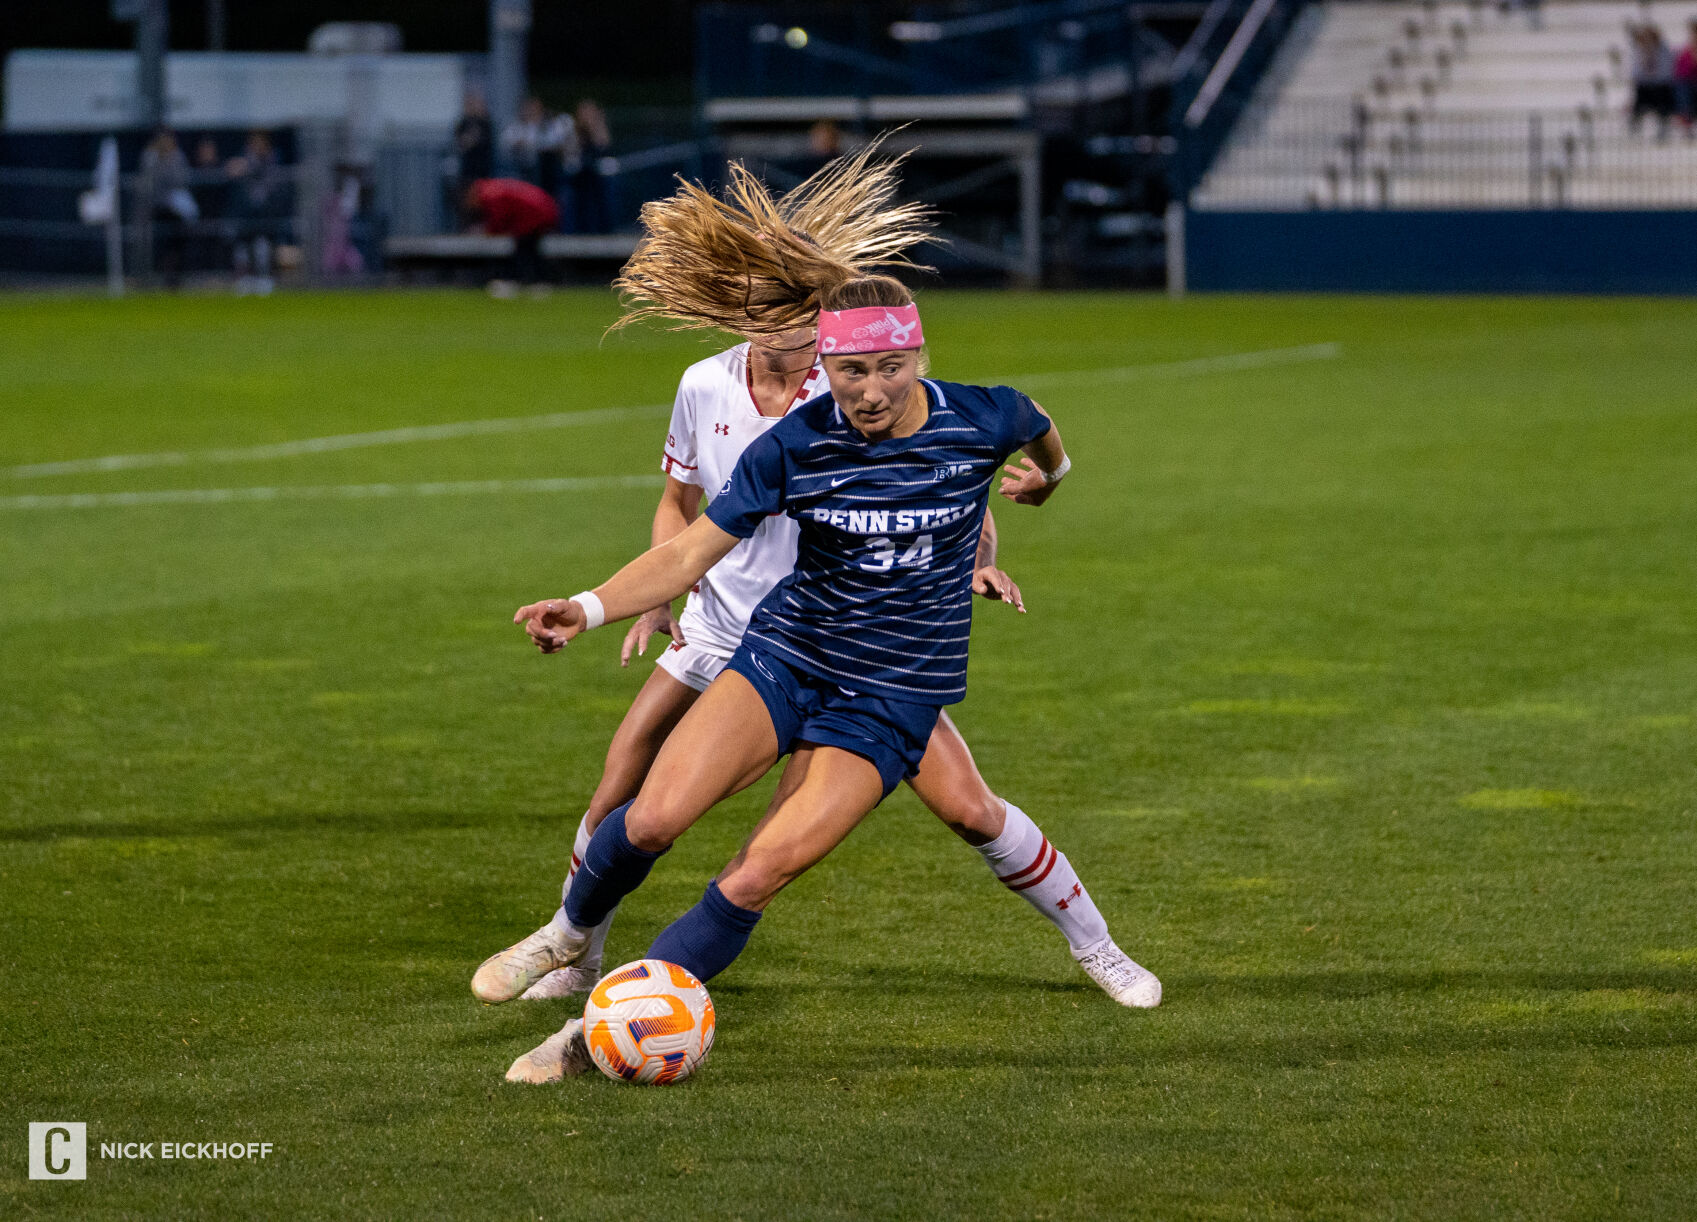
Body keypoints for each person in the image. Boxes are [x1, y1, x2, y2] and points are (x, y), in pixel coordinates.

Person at [482, 177, 1160, 1083]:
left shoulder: (982, 416)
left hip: (887, 698)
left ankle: (588, 1039)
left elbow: (1041, 434)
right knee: (650, 816)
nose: (871, 391)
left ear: (917, 355)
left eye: (889, 368)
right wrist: (592, 603)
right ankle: (566, 935)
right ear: (824, 369)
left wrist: (1051, 479)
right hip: (787, 657)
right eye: (851, 372)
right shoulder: (796, 446)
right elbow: (687, 553)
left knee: (760, 871)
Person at [462, 177, 559, 295]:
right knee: (527, 249)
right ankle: (535, 282)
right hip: (544, 208)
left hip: (536, 213)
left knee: (525, 249)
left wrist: (486, 231)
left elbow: (499, 219)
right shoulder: (493, 188)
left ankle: (526, 282)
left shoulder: (491, 194)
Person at [140, 125, 195, 290]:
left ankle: (175, 277)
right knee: (159, 243)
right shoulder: (150, 157)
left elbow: (182, 180)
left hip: (177, 210)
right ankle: (154, 277)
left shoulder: (178, 157)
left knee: (177, 243)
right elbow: (148, 182)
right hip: (157, 209)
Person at [501, 96, 575, 198]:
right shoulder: (517, 127)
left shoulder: (550, 124)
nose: (531, 110)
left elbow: (557, 141)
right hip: (524, 170)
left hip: (548, 171)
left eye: (535, 108)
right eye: (529, 108)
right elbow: (507, 142)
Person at [566, 100, 612, 234]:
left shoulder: (599, 128)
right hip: (580, 176)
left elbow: (603, 144)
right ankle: (580, 231)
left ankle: (604, 231)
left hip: (598, 176)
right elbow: (570, 151)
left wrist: (595, 125)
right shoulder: (574, 130)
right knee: (580, 204)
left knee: (601, 202)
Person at [1629, 25, 1678, 139]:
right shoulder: (1638, 52)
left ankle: (1663, 122)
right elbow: (1636, 73)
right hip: (1645, 87)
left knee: (1662, 95)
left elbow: (1667, 72)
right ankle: (1635, 123)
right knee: (1641, 92)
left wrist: (1652, 76)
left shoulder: (1664, 51)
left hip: (1660, 86)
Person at [1675, 21, 1697, 131]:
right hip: (1688, 84)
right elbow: (1681, 73)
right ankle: (1685, 116)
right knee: (1683, 87)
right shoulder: (1685, 52)